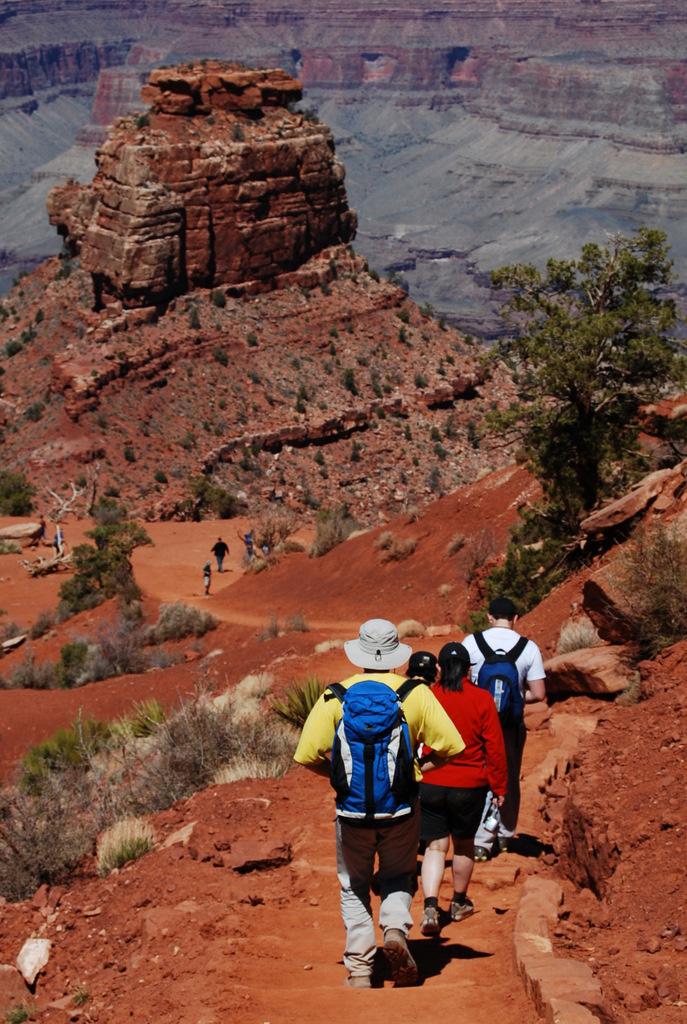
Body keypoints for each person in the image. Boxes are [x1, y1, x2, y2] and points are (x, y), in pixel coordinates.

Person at [294, 618, 466, 989]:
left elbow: (306, 755)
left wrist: (339, 778)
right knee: (398, 875)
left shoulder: (335, 695)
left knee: (354, 884)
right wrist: (417, 770)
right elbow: (453, 747)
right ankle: (394, 929)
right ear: (394, 654)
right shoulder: (415, 694)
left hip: (351, 814)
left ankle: (359, 969)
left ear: (360, 654)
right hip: (402, 810)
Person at [418, 642, 507, 935]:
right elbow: (494, 746)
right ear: (470, 670)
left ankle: (430, 905)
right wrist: (500, 787)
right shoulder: (482, 699)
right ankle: (458, 903)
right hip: (470, 785)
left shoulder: (428, 696)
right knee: (464, 844)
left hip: (430, 782)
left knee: (434, 846)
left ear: (439, 669)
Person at [461, 597, 546, 860]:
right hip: (510, 726)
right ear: (516, 618)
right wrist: (515, 698)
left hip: (477, 724)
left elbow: (461, 685)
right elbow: (539, 694)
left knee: (479, 776)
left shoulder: (471, 643)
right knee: (508, 777)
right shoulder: (528, 648)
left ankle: (479, 841)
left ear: (489, 617)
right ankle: (505, 834)